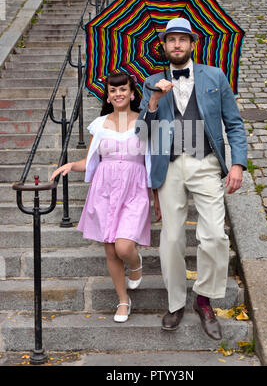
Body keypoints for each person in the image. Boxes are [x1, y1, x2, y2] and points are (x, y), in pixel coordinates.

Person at [137, 18, 247, 340]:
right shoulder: (151, 81)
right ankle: (174, 303)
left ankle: (203, 298)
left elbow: (235, 124)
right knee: (171, 238)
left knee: (214, 235)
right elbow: (140, 133)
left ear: (192, 43)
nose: (176, 45)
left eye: (182, 40)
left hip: (205, 161)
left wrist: (237, 164)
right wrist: (155, 101)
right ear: (165, 45)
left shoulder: (214, 76)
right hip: (168, 166)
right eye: (171, 40)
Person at [50, 73, 153, 323]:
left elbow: (153, 161)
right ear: (108, 95)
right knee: (110, 250)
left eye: (123, 89)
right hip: (105, 189)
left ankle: (136, 263)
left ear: (132, 93)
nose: (118, 94)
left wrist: (156, 196)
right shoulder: (98, 124)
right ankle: (122, 301)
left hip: (135, 188)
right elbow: (89, 161)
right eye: (113, 90)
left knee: (124, 246)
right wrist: (69, 165)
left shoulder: (145, 122)